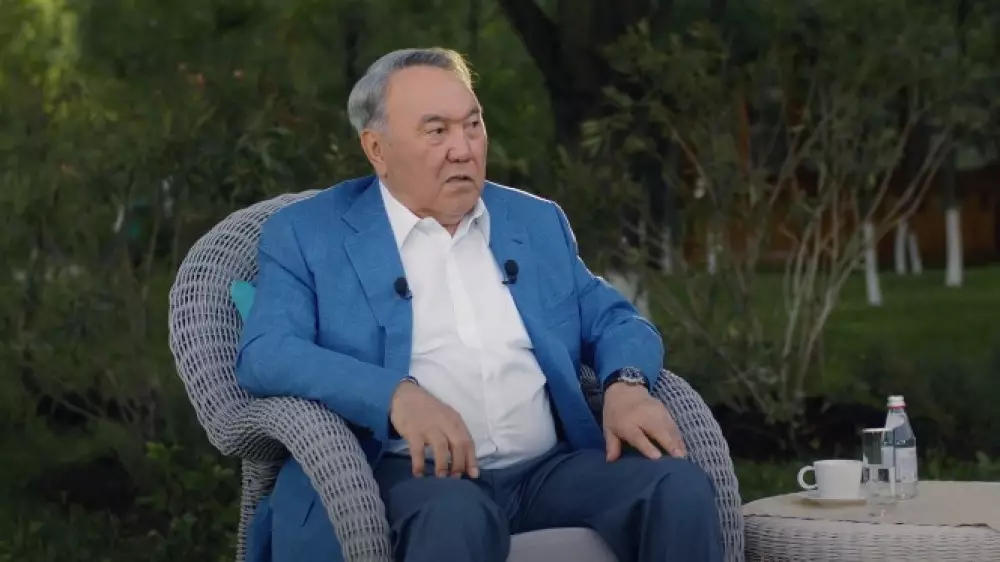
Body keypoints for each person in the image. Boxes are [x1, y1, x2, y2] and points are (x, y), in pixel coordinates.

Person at [236, 47, 723, 562]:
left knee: (677, 487)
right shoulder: (309, 234)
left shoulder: (533, 221)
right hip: (404, 473)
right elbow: (267, 351)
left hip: (546, 472)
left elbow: (615, 319)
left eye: (473, 126)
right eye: (437, 131)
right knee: (455, 516)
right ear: (377, 149)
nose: (463, 149)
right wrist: (394, 396)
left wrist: (626, 383)